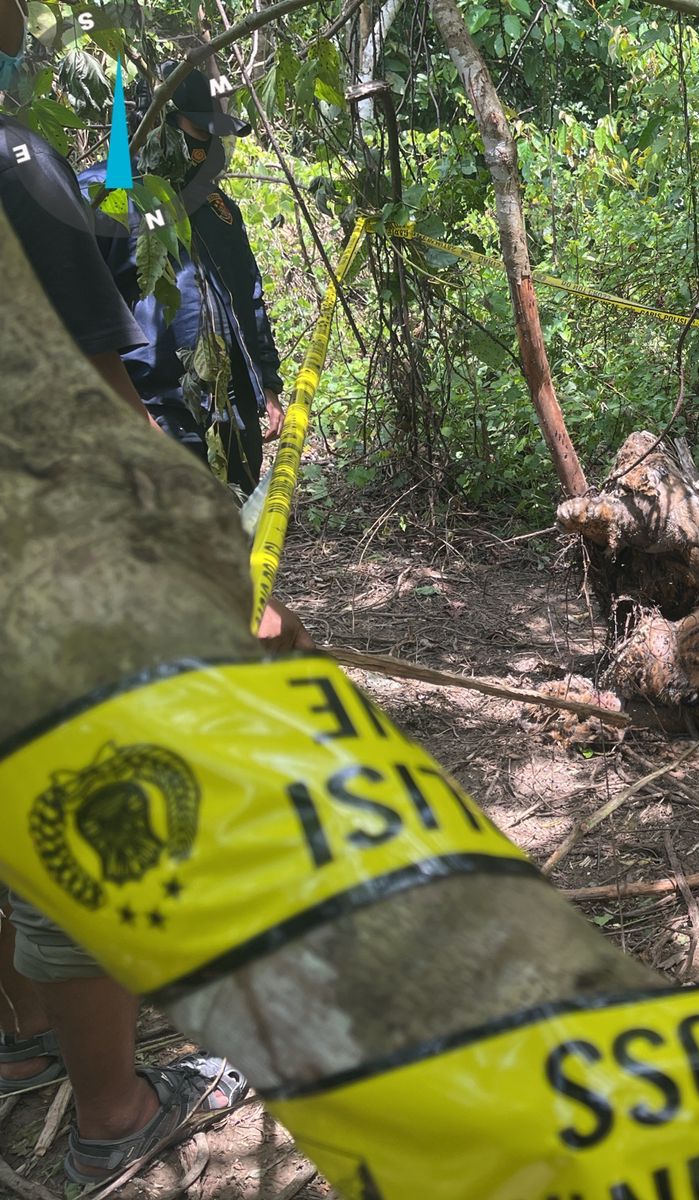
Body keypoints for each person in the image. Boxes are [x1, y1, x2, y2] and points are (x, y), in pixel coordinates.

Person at [0, 9, 308, 1183]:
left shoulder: (193, 208)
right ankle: (114, 1113)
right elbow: (105, 395)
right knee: (77, 814)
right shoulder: (32, 174)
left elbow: (236, 320)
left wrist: (263, 398)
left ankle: (28, 1035)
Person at [80, 60, 285, 494]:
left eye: (215, 133)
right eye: (199, 130)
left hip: (233, 411)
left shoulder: (217, 206)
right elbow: (77, 319)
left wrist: (266, 384)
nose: (209, 144)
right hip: (154, 415)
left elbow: (249, 296)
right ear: (154, 122)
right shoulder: (102, 197)